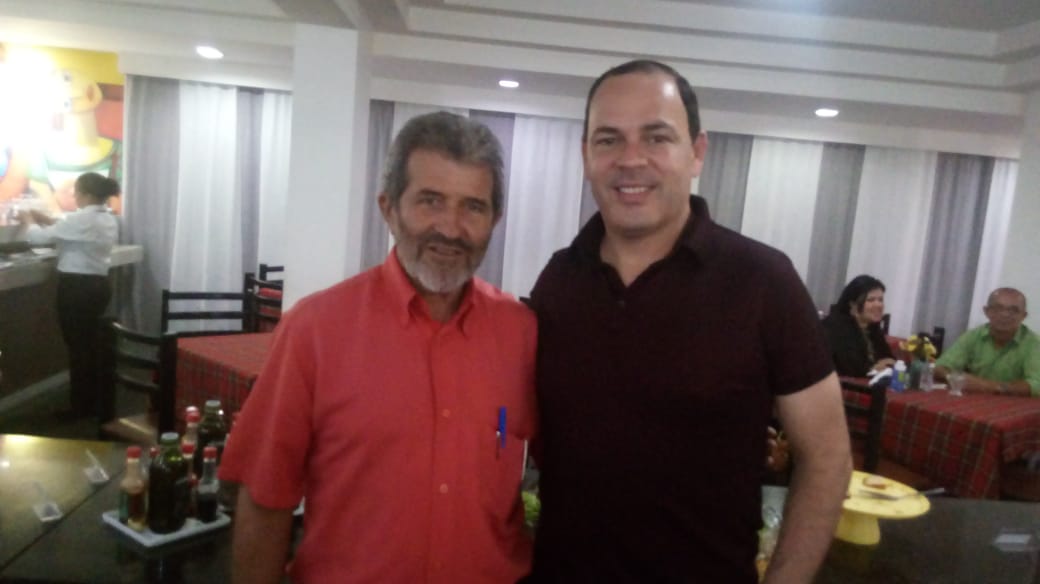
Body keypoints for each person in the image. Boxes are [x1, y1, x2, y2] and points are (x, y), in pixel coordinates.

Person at [525, 60, 851, 583]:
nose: (631, 159)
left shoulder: (764, 280)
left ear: (697, 152)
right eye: (608, 140)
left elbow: (828, 456)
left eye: (656, 137)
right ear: (586, 156)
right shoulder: (558, 280)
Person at [218, 112, 537, 584]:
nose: (451, 228)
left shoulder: (521, 333)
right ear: (389, 208)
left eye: (473, 207)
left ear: (495, 220)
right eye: (430, 200)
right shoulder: (315, 330)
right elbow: (266, 497)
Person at [18, 172, 119, 419]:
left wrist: (28, 220)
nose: (75, 197)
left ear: (86, 194)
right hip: (98, 286)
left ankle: (80, 406)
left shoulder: (82, 219)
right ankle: (93, 399)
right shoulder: (106, 218)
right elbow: (69, 229)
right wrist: (47, 219)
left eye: (77, 192)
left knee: (78, 346)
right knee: (89, 344)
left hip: (77, 289)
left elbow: (37, 238)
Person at [935, 287, 1040, 396]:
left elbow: (1037, 385)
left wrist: (987, 386)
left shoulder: (1034, 344)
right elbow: (940, 367)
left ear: (1023, 316)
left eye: (1013, 310)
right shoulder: (974, 336)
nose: (1005, 314)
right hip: (976, 400)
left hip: (1015, 404)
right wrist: (955, 378)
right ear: (986, 311)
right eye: (998, 308)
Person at [821, 275, 896, 376]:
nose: (878, 305)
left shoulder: (873, 328)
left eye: (880, 300)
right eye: (871, 300)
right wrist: (873, 368)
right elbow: (848, 368)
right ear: (853, 304)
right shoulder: (835, 328)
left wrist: (883, 366)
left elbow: (890, 360)